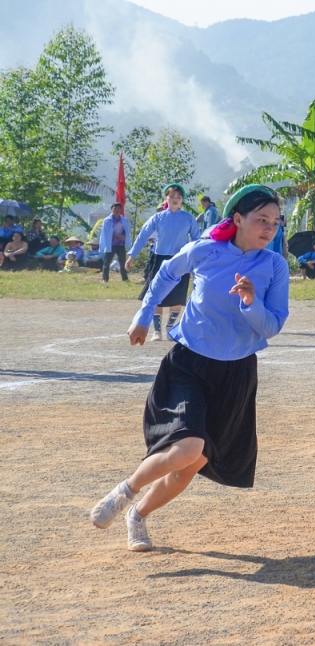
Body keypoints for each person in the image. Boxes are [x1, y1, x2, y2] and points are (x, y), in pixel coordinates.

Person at [89, 185, 289, 551]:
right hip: (190, 363)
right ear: (239, 219)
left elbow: (273, 325)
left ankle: (139, 517)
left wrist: (249, 301)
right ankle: (124, 493)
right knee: (187, 447)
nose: (269, 229)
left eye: (275, 223)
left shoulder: (274, 265)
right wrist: (144, 315)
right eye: (262, 220)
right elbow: (166, 273)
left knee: (190, 464)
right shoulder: (206, 250)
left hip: (236, 374)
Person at [128, 185, 202, 340]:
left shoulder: (188, 218)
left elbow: (197, 240)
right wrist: (132, 255)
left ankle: (170, 328)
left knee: (178, 295)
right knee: (156, 295)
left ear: (182, 201)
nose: (175, 200)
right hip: (159, 259)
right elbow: (143, 236)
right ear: (166, 199)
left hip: (181, 260)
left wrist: (198, 260)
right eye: (172, 196)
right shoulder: (158, 218)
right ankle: (157, 331)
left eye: (178, 197)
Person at [99, 203, 132, 282]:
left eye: (118, 208)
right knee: (107, 262)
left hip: (120, 244)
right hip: (111, 244)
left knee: (122, 261)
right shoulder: (108, 220)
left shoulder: (123, 220)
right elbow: (107, 233)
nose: (117, 210)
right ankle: (105, 278)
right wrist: (117, 236)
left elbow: (126, 231)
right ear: (112, 209)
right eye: (115, 208)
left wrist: (123, 236)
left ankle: (125, 278)